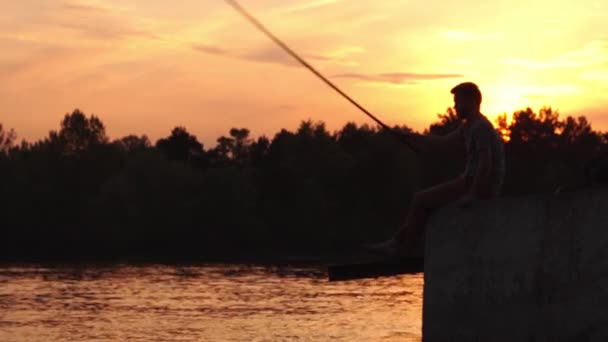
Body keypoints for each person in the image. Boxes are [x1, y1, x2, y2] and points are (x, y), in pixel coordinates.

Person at [367, 82, 506, 258]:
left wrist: (472, 194)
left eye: (458, 101)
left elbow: (485, 163)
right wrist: (410, 136)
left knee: (420, 199)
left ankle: (404, 251)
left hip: (478, 186)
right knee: (425, 201)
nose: (454, 106)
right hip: (469, 182)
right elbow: (442, 142)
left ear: (471, 101)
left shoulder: (480, 128)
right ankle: (398, 243)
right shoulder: (469, 126)